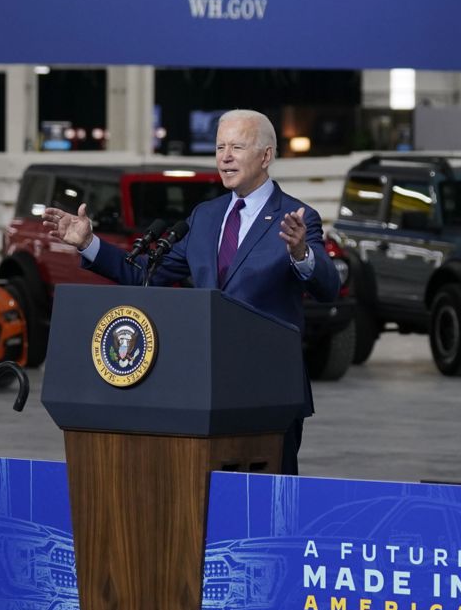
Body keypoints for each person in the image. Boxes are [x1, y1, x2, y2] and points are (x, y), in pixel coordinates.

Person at [43, 109, 340, 474]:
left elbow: (328, 287)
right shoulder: (205, 217)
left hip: (269, 391)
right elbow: (144, 275)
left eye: (237, 147)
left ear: (265, 156)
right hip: (204, 390)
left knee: (266, 507)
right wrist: (89, 243)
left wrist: (301, 253)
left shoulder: (296, 217)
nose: (225, 157)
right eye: (219, 147)